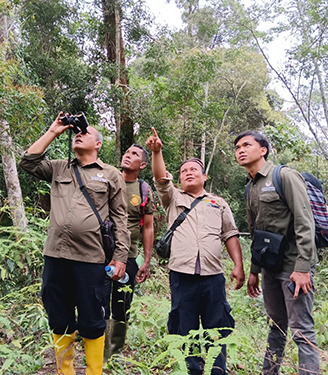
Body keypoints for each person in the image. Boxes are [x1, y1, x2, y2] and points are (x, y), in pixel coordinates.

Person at [19, 112, 130, 375]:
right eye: (77, 133)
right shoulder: (59, 167)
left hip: (91, 259)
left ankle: (94, 372)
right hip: (56, 257)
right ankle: (65, 371)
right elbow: (27, 162)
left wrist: (121, 257)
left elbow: (120, 218)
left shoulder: (111, 174)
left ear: (98, 144)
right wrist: (54, 131)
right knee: (59, 319)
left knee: (93, 320)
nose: (79, 134)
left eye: (86, 132)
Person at [146, 128, 245, 375]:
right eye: (183, 171)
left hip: (213, 276)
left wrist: (239, 265)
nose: (188, 173)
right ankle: (190, 369)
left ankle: (217, 369)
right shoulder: (172, 197)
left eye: (193, 170)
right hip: (181, 274)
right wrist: (156, 152)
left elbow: (230, 234)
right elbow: (160, 177)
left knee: (218, 325)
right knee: (184, 325)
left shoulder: (218, 202)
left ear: (204, 176)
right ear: (179, 179)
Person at [234, 130, 320, 375]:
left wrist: (303, 268)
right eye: (237, 147)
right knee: (276, 326)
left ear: (263, 150)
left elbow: (305, 222)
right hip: (270, 267)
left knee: (302, 330)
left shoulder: (283, 176)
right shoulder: (250, 187)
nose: (240, 150)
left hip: (294, 267)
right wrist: (254, 271)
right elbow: (256, 233)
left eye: (246, 145)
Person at [103, 144, 155, 362]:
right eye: (126, 152)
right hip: (100, 253)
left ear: (142, 165)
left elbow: (148, 227)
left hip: (129, 256)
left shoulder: (143, 190)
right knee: (99, 302)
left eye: (134, 154)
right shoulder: (107, 180)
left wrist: (147, 260)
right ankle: (99, 351)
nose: (128, 155)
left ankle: (116, 352)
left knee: (122, 303)